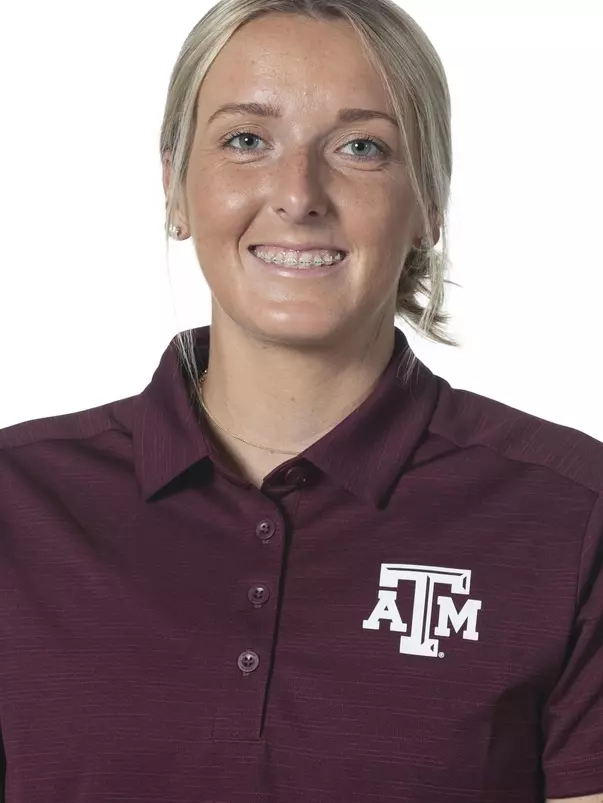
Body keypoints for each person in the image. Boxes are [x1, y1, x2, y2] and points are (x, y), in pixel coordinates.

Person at [0, 0, 601, 801]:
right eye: (247, 140)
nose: (298, 194)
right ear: (176, 186)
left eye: (361, 147)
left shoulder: (572, 513)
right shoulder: (15, 502)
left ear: (428, 199)